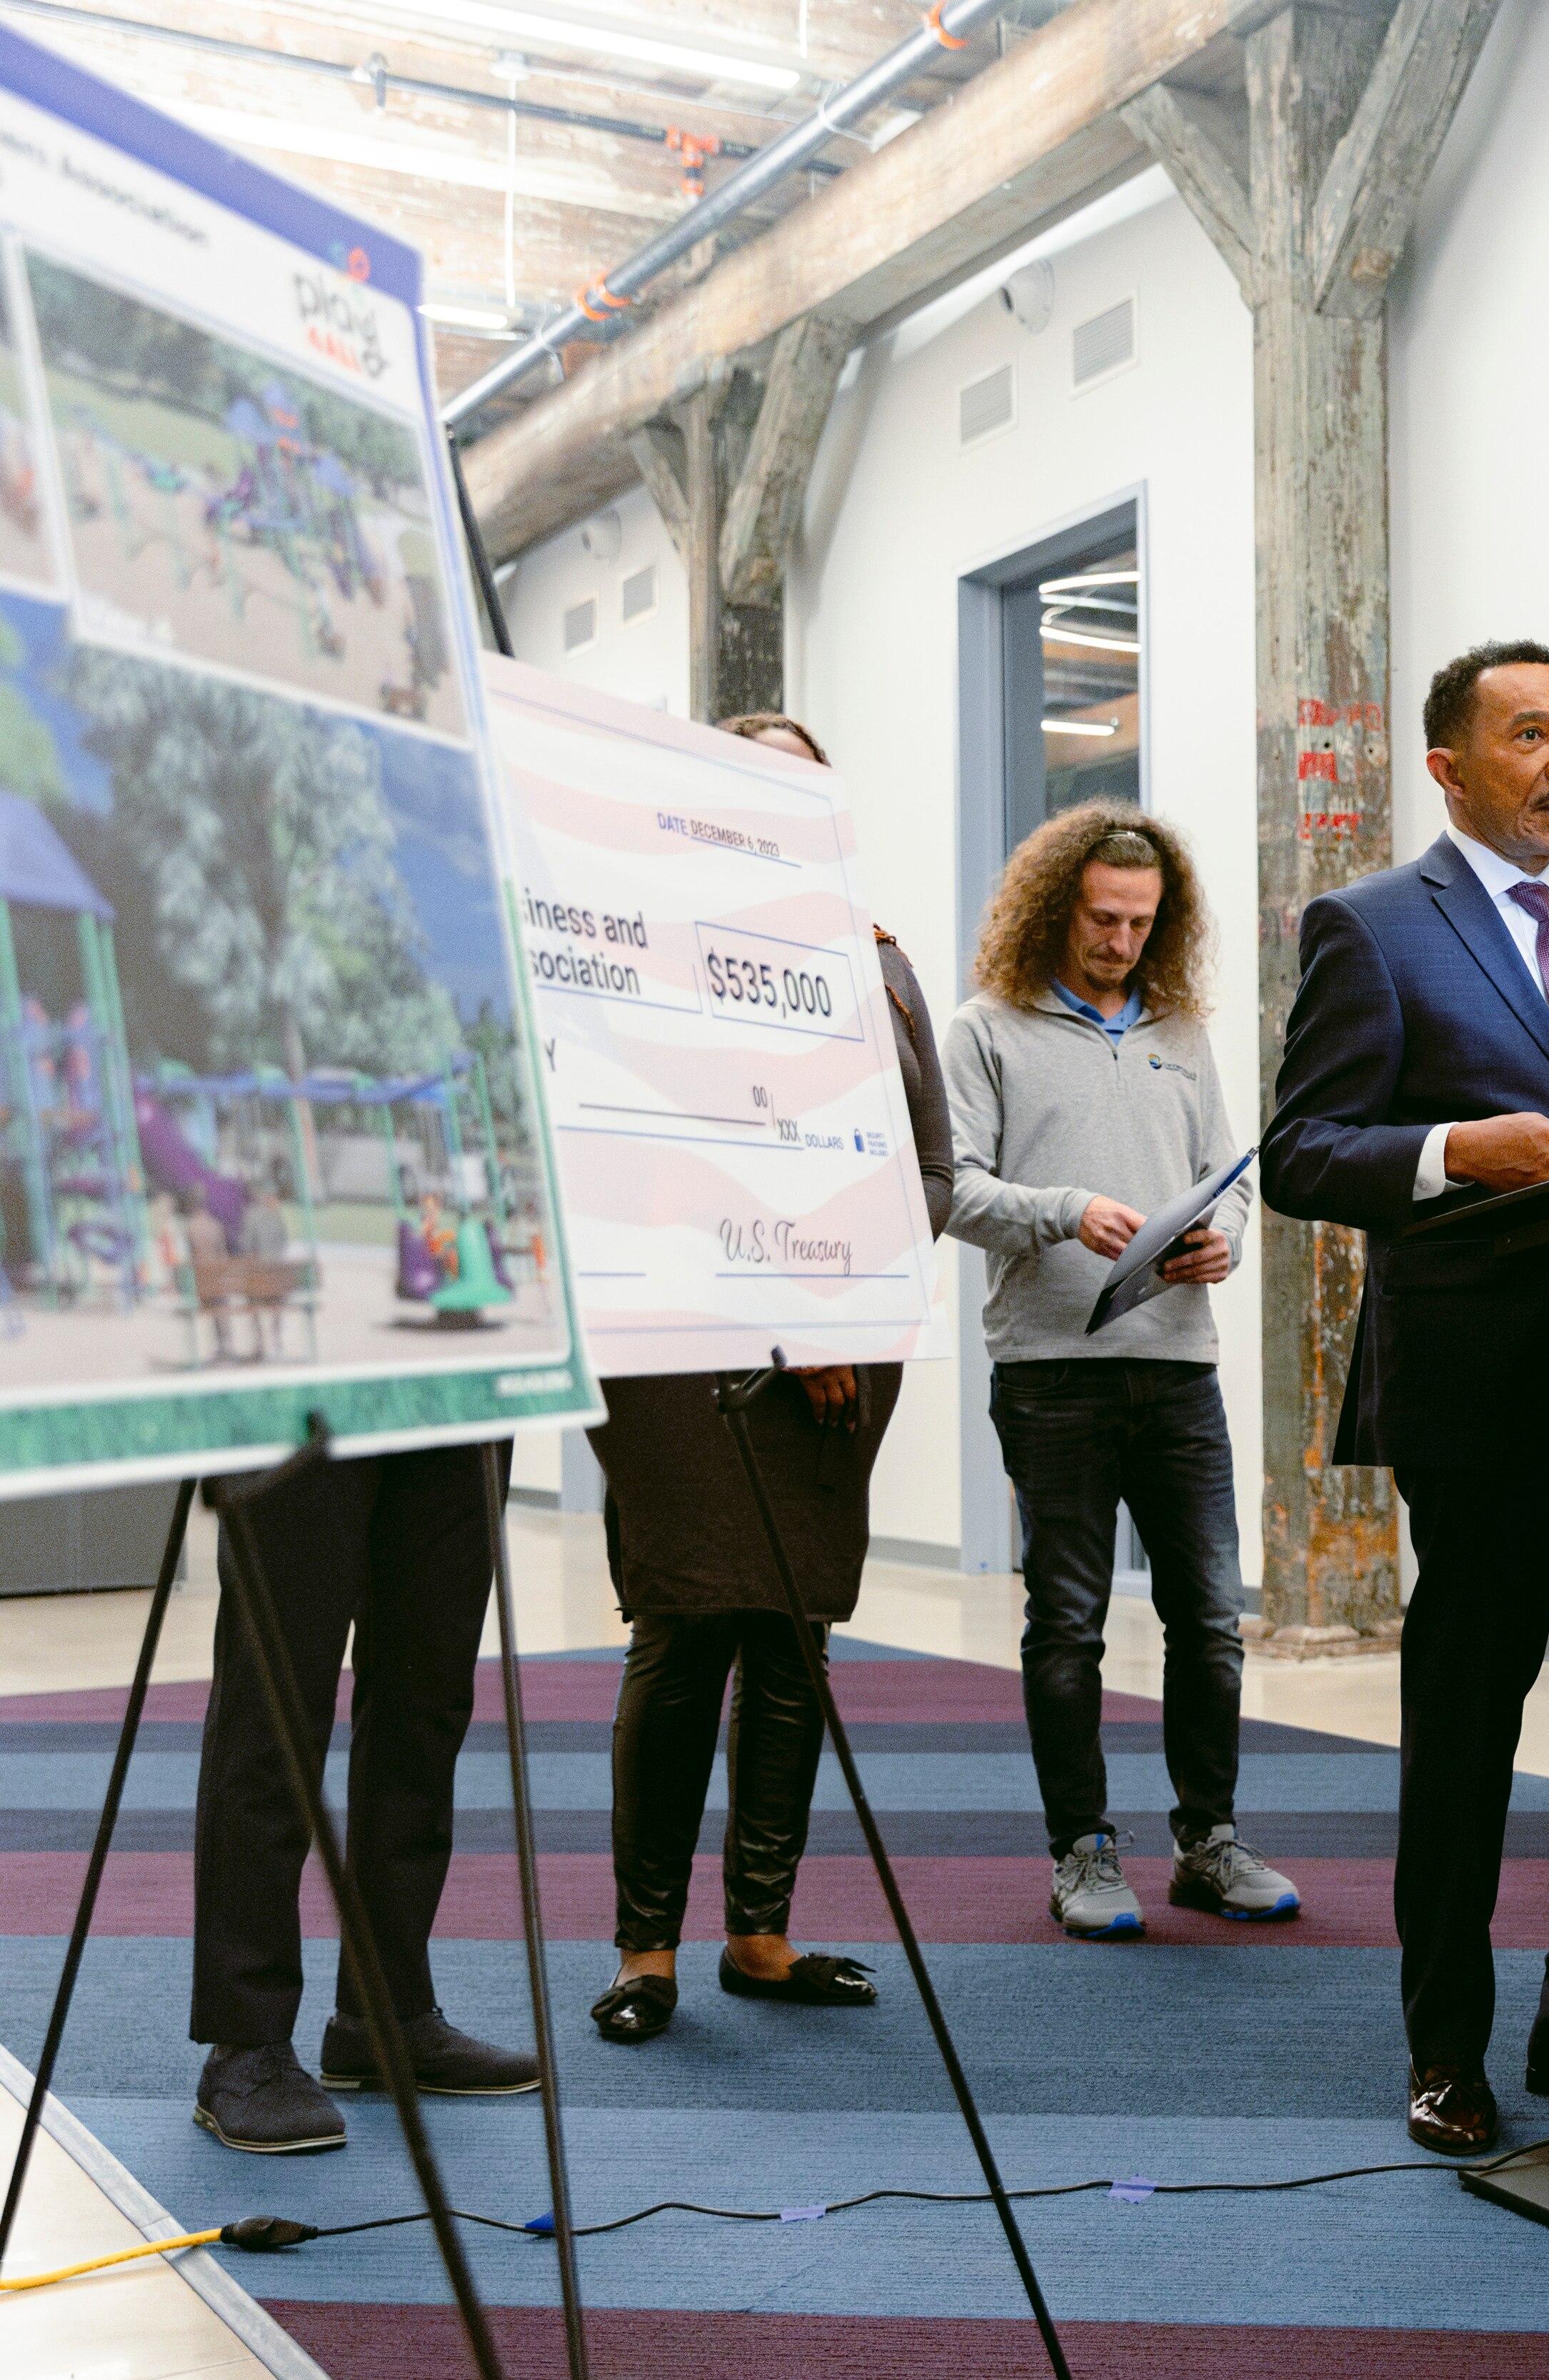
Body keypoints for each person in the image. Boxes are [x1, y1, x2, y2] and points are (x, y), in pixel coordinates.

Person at [1263, 636, 1549, 2158]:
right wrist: (1459, 1152)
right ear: (1451, 765)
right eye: (1533, 734)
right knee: (1468, 1724)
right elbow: (1302, 1152)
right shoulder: (1374, 927)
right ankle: (1445, 2045)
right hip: (1479, 1397)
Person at [583, 712, 954, 2046]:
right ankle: (645, 1946)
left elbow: (926, 1168)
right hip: (679, 1341)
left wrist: (841, 1308)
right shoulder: (633, 957)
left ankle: (760, 1930)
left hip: (846, 1354)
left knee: (795, 1637)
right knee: (686, 1628)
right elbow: (632, 1157)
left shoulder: (880, 965)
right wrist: (788, 1311)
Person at [944, 801, 1297, 1939]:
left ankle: (1209, 1840)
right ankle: (1083, 1849)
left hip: (1177, 1360)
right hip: (1051, 1370)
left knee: (1210, 1620)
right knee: (1071, 1623)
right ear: (1058, 908)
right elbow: (950, 1187)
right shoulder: (987, 1028)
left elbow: (1226, 1176)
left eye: (1142, 923)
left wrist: (1221, 1240)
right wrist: (1063, 1212)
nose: (1121, 942)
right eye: (1102, 918)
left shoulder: (1183, 1031)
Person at [189, 1447, 538, 2151]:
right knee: (277, 1707)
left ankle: (386, 2014)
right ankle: (246, 2041)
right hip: (302, 1374)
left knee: (427, 1698)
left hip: (460, 1378)